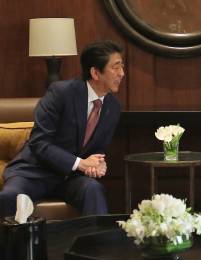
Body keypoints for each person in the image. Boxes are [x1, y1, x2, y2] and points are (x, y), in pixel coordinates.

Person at [0, 40, 125, 217]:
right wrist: (81, 163)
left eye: (122, 67)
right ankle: (14, 246)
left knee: (93, 190)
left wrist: (98, 163)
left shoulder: (113, 107)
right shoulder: (61, 93)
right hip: (35, 172)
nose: (122, 73)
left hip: (70, 178)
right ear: (95, 72)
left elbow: (96, 151)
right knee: (9, 196)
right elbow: (39, 143)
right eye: (116, 67)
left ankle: (95, 244)